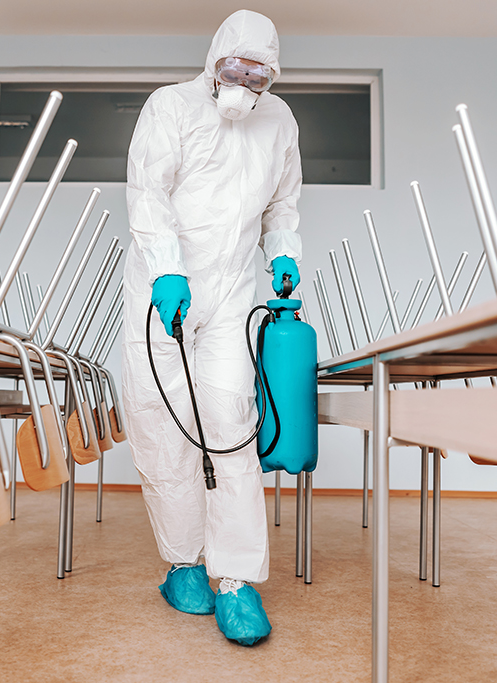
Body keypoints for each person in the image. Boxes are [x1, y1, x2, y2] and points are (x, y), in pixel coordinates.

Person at [121, 9, 302, 647]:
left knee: (230, 427)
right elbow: (148, 192)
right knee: (162, 423)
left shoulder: (279, 120)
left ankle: (236, 578)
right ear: (215, 60)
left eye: (260, 73)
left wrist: (284, 252)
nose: (246, 81)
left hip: (230, 296)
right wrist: (167, 272)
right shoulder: (169, 106)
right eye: (237, 67)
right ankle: (182, 564)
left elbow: (283, 203)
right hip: (163, 290)